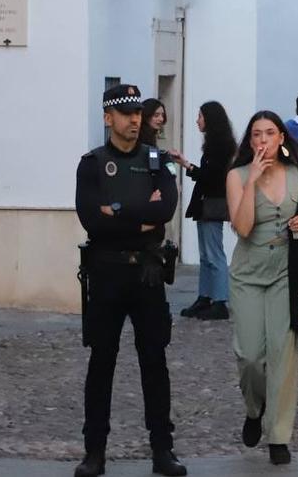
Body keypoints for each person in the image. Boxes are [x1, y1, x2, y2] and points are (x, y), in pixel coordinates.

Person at [73, 84, 186, 477]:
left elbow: (167, 208)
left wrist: (116, 211)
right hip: (106, 272)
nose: (135, 120)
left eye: (138, 113)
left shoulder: (157, 161)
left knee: (154, 362)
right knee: (101, 362)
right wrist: (139, 216)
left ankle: (162, 449)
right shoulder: (92, 163)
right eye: (125, 114)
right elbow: (91, 218)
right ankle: (94, 452)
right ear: (109, 118)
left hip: (148, 273)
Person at [226, 111, 298, 466]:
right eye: (257, 134)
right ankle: (254, 408)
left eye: (270, 133)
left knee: (283, 353)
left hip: (285, 272)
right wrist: (252, 182)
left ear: (281, 138)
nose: (263, 140)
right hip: (248, 272)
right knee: (250, 355)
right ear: (250, 141)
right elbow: (243, 227)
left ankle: (279, 435)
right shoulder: (236, 175)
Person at [170, 101, 236, 321]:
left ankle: (219, 301)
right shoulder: (215, 145)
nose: (197, 120)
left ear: (210, 118)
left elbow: (212, 177)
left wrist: (187, 166)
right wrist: (186, 164)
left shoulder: (220, 146)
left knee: (213, 253)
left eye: (200, 116)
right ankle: (206, 296)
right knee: (206, 254)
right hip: (206, 203)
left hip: (212, 203)